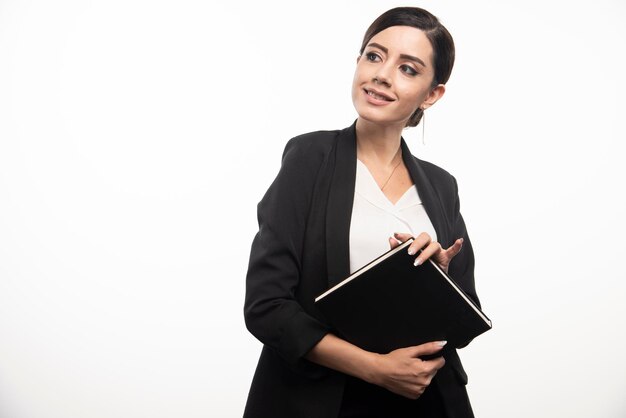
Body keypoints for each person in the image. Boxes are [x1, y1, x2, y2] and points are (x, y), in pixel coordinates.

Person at [243, 6, 481, 418]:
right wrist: (376, 369)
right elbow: (266, 307)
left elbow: (465, 323)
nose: (382, 75)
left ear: (432, 94)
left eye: (408, 69)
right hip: (324, 402)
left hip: (424, 404)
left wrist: (436, 279)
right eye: (374, 56)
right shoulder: (308, 158)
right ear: (358, 63)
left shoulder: (442, 186)